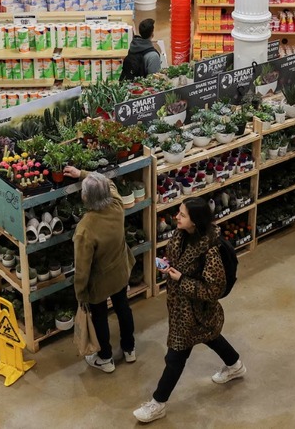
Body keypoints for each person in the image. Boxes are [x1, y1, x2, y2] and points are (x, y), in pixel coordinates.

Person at [133, 198, 244, 424]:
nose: (177, 217)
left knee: (176, 356)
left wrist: (182, 279)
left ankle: (158, 403)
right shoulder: (180, 234)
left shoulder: (211, 250)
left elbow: (213, 289)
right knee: (210, 336)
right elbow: (178, 259)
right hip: (183, 307)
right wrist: (168, 264)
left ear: (196, 221)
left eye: (182, 215)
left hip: (193, 311)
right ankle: (235, 365)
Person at [66, 167, 135, 373]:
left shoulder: (85, 229)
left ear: (85, 197)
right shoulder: (116, 205)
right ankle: (129, 348)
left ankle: (105, 358)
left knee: (99, 317)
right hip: (121, 271)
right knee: (123, 308)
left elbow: (82, 268)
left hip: (99, 282)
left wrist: (81, 293)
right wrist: (81, 173)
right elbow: (108, 182)